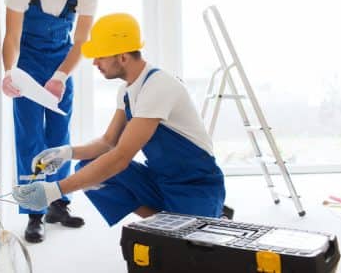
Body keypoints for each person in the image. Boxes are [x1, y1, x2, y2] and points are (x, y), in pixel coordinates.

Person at [12, 13, 226, 227]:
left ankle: (193, 220)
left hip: (196, 185)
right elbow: (108, 142)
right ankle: (164, 224)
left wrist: (55, 190)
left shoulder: (158, 86)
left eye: (101, 57)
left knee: (189, 252)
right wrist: (67, 153)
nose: (95, 62)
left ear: (122, 57)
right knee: (88, 167)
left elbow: (121, 156)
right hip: (162, 180)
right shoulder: (126, 91)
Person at [1, 0, 97, 243]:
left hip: (61, 66)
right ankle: (33, 213)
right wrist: (10, 73)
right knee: (31, 137)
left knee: (59, 135)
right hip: (27, 66)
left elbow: (80, 43)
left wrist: (61, 77)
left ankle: (58, 203)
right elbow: (12, 38)